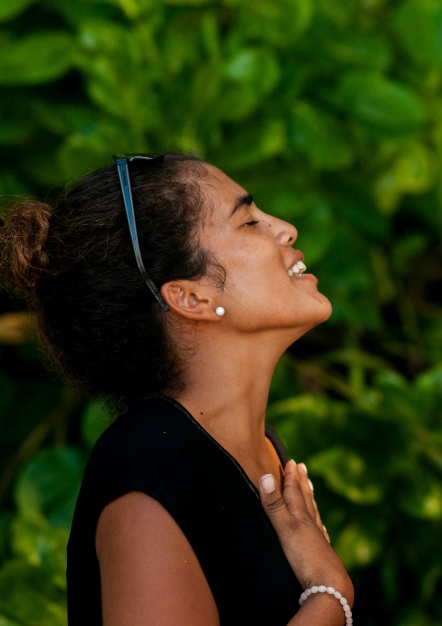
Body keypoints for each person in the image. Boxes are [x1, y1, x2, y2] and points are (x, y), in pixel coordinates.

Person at [0, 153, 354, 623]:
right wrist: (330, 594)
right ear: (191, 297)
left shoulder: (255, 448)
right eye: (249, 222)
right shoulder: (150, 480)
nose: (285, 229)